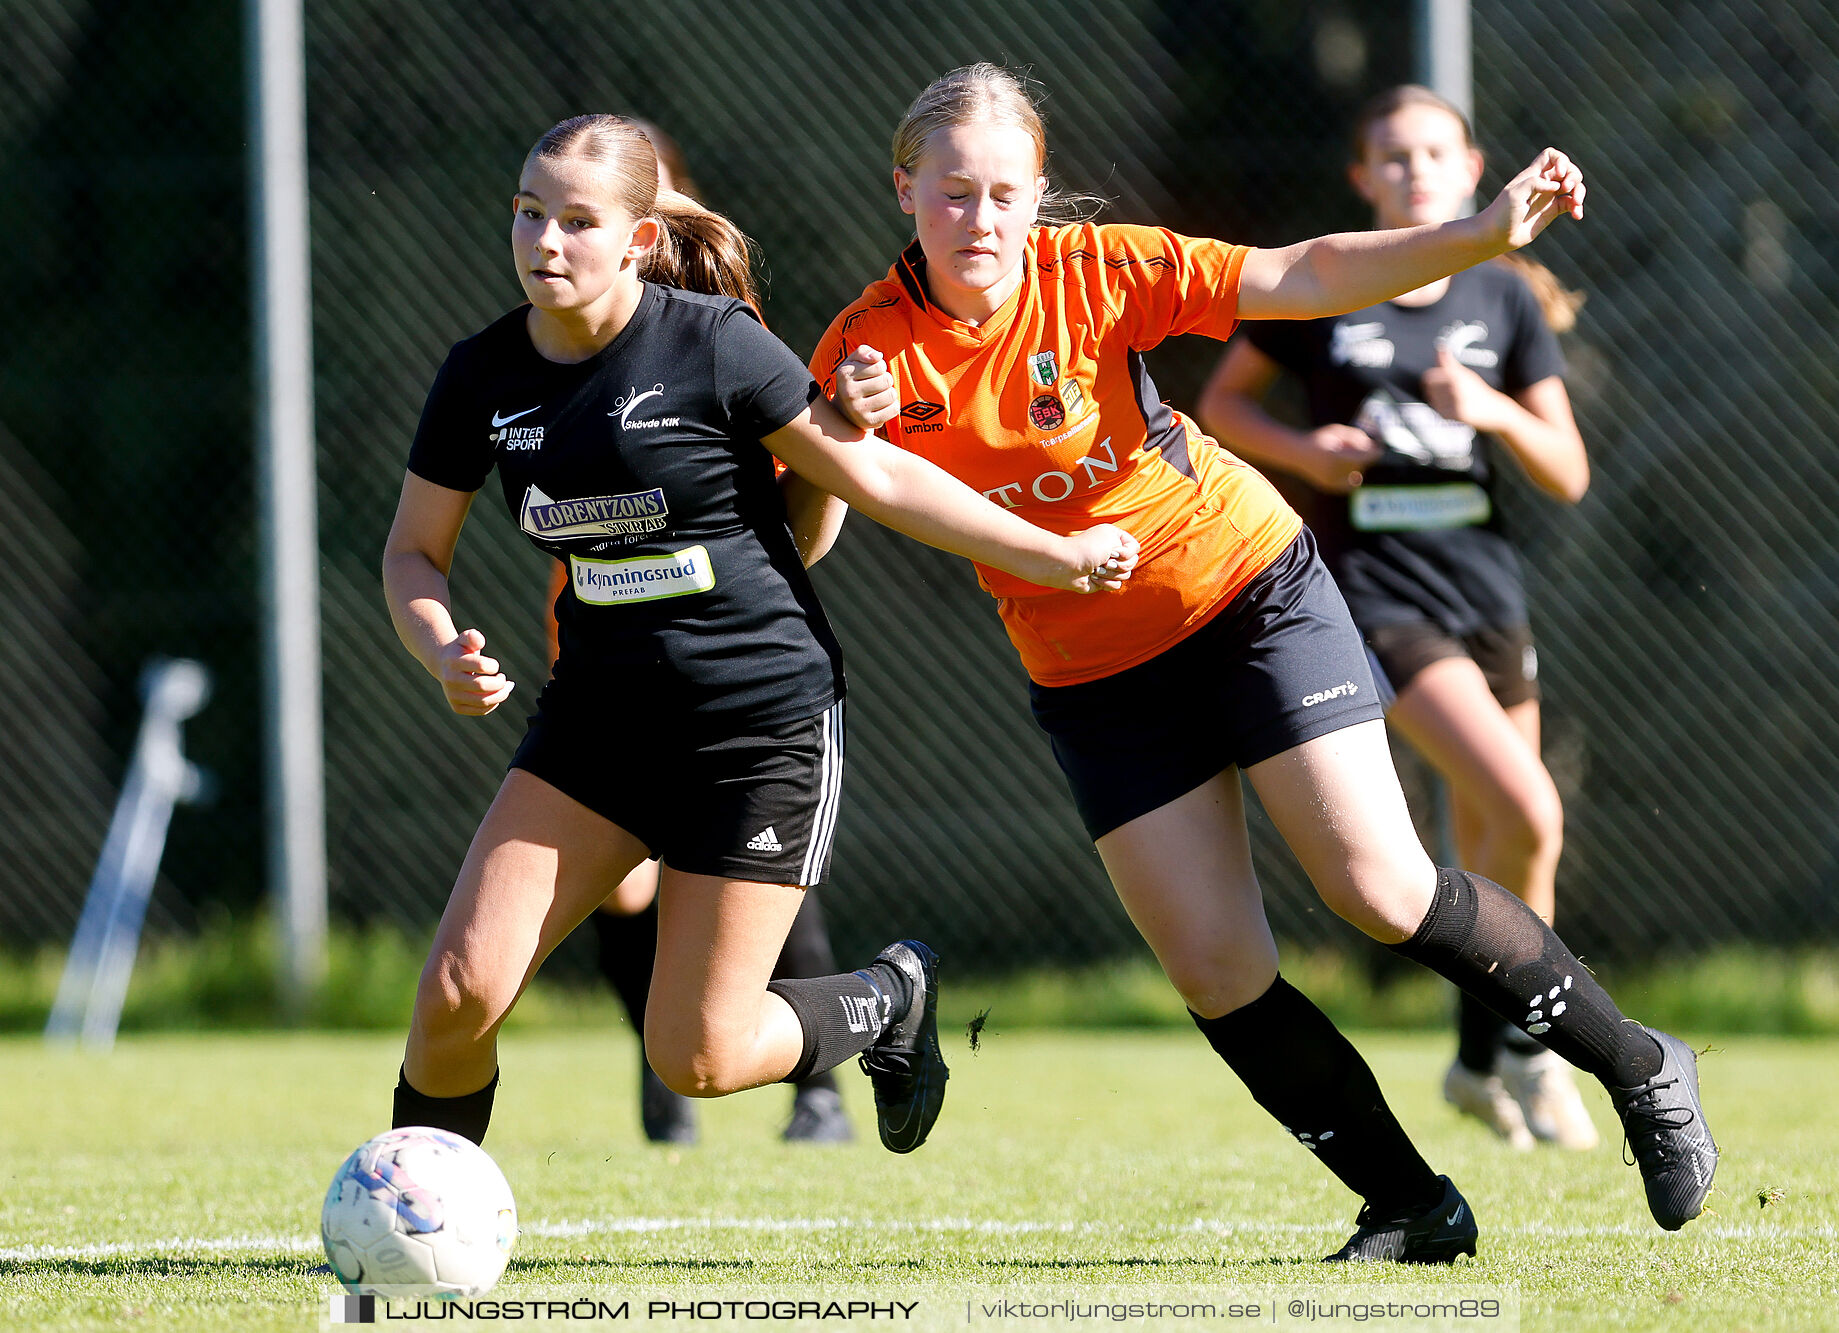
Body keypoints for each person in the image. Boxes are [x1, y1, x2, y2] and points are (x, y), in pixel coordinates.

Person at [816, 64, 1716, 1260]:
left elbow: (1304, 274)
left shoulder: (1098, 270)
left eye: (1004, 194)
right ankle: (1412, 1206)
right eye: (952, 193)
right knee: (1217, 967)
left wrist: (1479, 235)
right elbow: (819, 521)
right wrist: (842, 427)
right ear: (905, 190)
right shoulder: (867, 346)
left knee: (1380, 890)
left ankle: (1642, 1064)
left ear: (1039, 197)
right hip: (1093, 675)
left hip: (1245, 592)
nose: (979, 220)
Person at [380, 112, 1141, 1158]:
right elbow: (413, 553)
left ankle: (889, 999)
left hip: (757, 724)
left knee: (697, 1055)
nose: (543, 242)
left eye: (575, 220)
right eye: (526, 214)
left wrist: (1048, 552)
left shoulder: (713, 342)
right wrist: (439, 648)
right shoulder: (483, 376)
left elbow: (868, 472)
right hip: (599, 719)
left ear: (640, 239)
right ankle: (413, 1224)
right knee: (457, 993)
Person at [1197, 85, 1597, 1154]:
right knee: (1529, 806)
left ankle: (1478, 1059)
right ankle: (1533, 1051)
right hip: (1373, 595)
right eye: (1393, 158)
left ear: (1471, 172)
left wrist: (1495, 411)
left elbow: (1565, 471)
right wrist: (1306, 452)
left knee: (1504, 835)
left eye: (1435, 154)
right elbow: (1219, 406)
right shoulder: (1333, 288)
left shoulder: (1505, 300)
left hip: (1485, 593)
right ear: (1364, 181)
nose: (1416, 171)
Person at [537, 119, 856, 1147]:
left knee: (739, 876)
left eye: (599, 208)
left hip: (728, 666)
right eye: (548, 212)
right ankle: (660, 1066)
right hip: (601, 659)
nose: (561, 235)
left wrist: (844, 446)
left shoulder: (718, 332)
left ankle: (820, 1082)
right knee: (625, 891)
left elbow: (801, 510)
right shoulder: (554, 320)